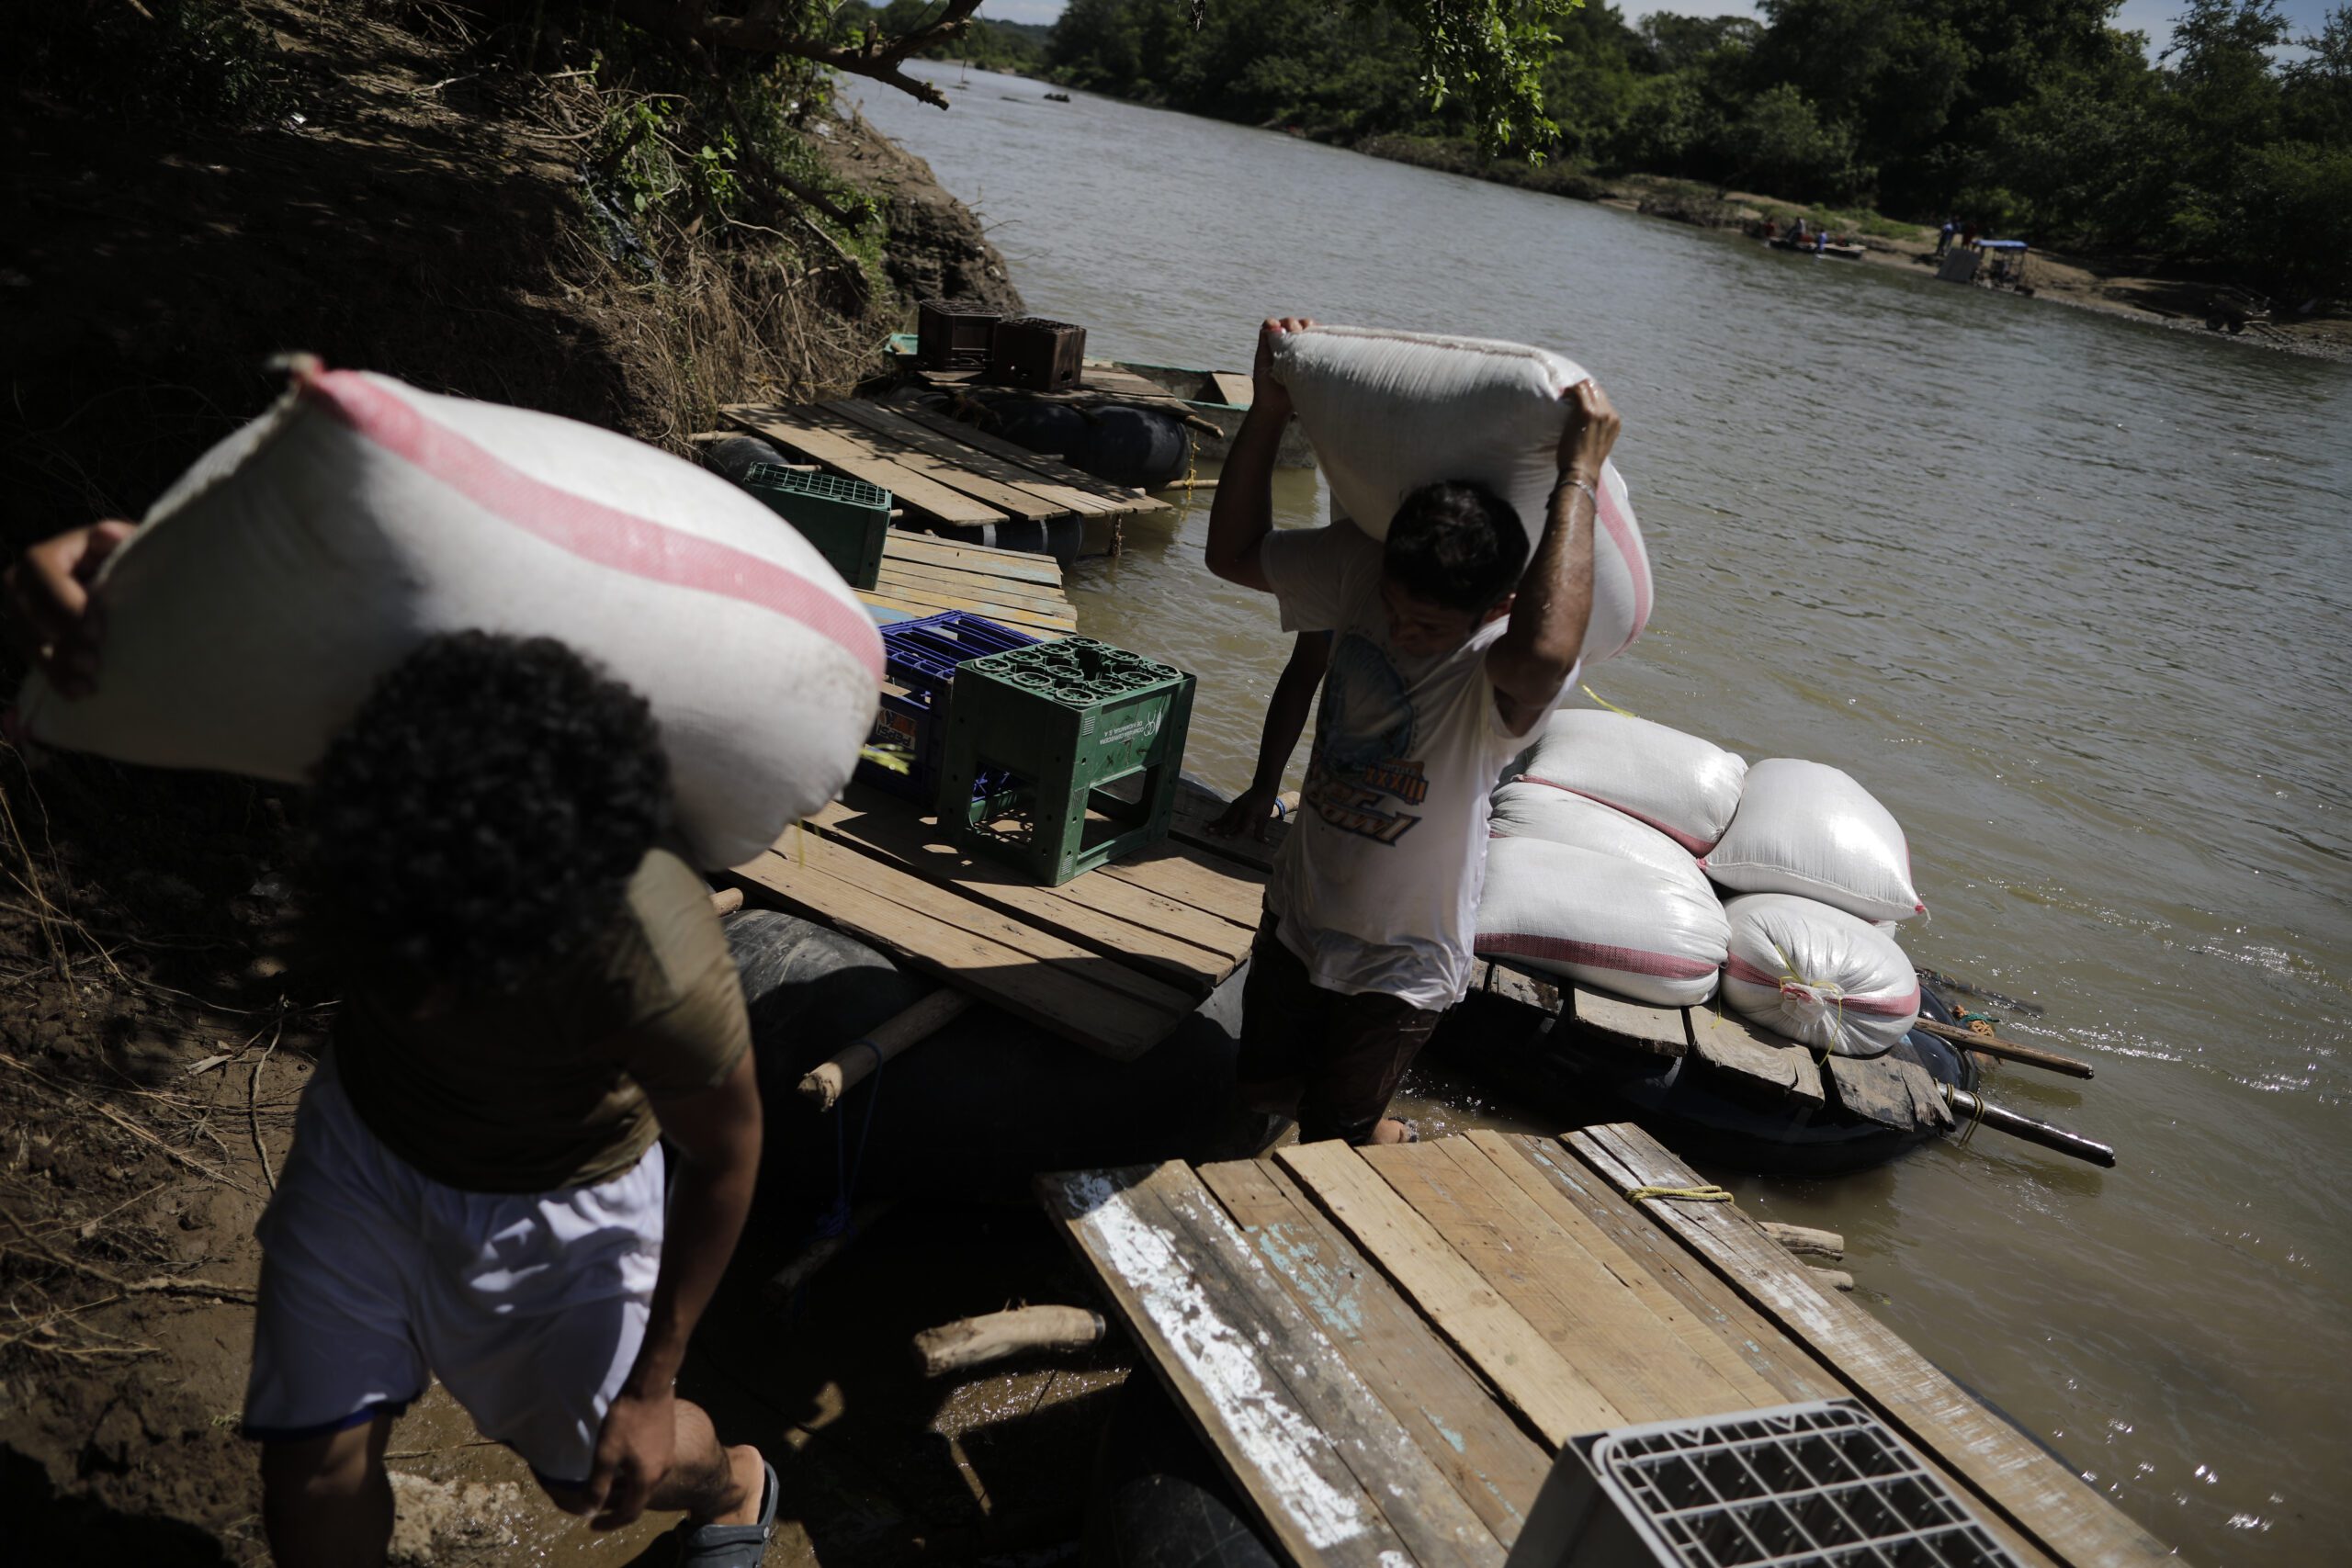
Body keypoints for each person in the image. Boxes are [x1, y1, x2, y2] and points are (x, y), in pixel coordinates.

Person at [6, 535, 778, 1568]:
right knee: (308, 1475)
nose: (427, 998)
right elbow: (159, 568)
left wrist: (652, 1387)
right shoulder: (367, 760)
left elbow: (728, 1154)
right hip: (366, 1150)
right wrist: (93, 568)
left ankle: (738, 1481)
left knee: (590, 1473)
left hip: (558, 1201)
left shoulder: (652, 946)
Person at [1204, 317, 1617, 1148]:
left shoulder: (1495, 672)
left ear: (1495, 607)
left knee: (1336, 1136)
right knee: (1260, 1093)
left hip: (1401, 961)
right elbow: (1232, 553)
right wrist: (1268, 409)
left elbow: (1544, 655)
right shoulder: (1365, 567)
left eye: (1427, 624)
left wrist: (1578, 474)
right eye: (1396, 607)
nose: (1403, 626)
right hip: (1298, 913)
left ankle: (1408, 1140)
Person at [1208, 629, 1332, 841]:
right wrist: (1265, 786)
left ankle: (1289, 802)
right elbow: (1301, 677)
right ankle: (1287, 802)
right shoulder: (1340, 600)